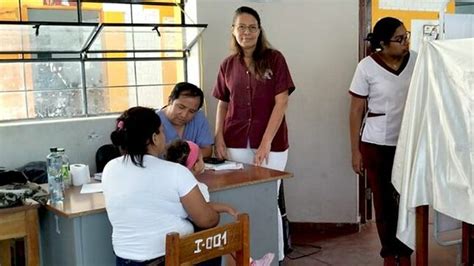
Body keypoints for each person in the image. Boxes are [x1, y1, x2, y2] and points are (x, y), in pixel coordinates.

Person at [212, 6, 295, 262]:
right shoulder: (227, 65)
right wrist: (219, 137)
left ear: (259, 30)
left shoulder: (275, 59)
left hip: (271, 145)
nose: (246, 32)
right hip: (235, 140)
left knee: (268, 200)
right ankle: (246, 258)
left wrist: (265, 143)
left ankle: (275, 255)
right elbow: (222, 103)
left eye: (252, 27)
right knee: (238, 202)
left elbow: (281, 102)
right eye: (241, 27)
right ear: (233, 30)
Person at [102, 106, 220, 266]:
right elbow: (207, 220)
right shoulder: (176, 172)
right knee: (213, 240)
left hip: (125, 260)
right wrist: (215, 214)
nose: (165, 136)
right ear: (154, 138)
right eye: (162, 131)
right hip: (170, 258)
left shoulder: (110, 168)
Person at [349, 17, 416, 266]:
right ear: (382, 44)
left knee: (407, 199)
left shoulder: (417, 61)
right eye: (399, 39)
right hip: (376, 143)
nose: (405, 42)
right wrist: (355, 150)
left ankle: (405, 251)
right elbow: (356, 109)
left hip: (409, 143)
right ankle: (389, 253)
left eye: (405, 36)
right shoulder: (367, 67)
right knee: (384, 201)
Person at [165, 139, 238, 216]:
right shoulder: (198, 188)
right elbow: (205, 209)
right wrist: (226, 208)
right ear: (196, 166)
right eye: (202, 159)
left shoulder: (169, 183)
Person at [156, 82, 213, 158]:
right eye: (181, 107)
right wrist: (190, 156)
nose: (184, 115)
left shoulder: (199, 117)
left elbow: (207, 151)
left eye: (191, 111)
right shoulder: (154, 120)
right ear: (170, 101)